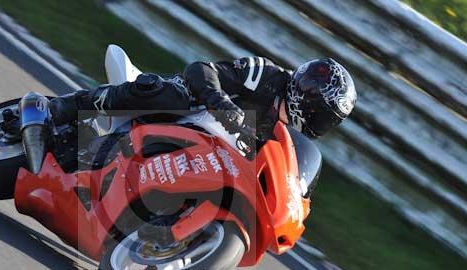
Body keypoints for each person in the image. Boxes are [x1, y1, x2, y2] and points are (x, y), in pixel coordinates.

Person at [36, 56, 356, 158]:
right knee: (170, 94)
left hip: (207, 159)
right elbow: (202, 70)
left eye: (331, 118)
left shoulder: (291, 146)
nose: (324, 122)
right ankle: (59, 110)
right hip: (193, 113)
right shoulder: (268, 77)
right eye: (325, 114)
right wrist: (221, 104)